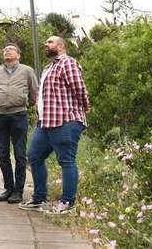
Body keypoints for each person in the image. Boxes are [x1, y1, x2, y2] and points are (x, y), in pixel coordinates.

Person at [20, 36, 91, 215]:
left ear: (60, 46)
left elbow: (80, 88)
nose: (46, 44)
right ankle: (39, 199)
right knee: (34, 156)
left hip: (65, 121)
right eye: (45, 42)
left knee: (66, 161)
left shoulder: (67, 62)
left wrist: (84, 108)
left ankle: (67, 203)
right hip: (45, 123)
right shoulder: (48, 67)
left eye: (50, 42)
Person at [0, 44, 38, 204]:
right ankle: (8, 188)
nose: (7, 50)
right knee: (2, 154)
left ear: (18, 55)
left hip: (19, 115)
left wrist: (26, 105)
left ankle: (18, 190)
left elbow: (35, 92)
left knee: (19, 154)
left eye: (11, 49)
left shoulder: (27, 70)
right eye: (4, 49)